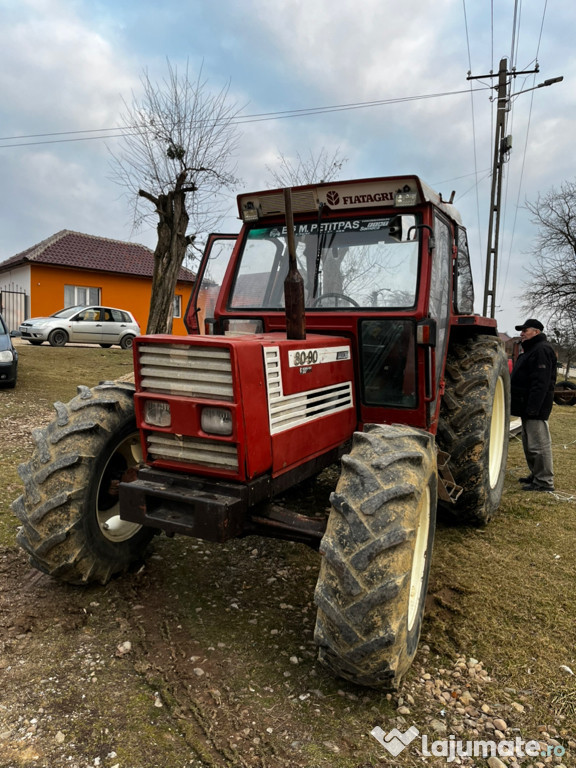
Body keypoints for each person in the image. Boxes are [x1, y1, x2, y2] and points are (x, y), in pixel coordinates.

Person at [510, 318, 557, 492]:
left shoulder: (542, 350)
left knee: (539, 445)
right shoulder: (531, 350)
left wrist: (533, 408)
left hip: (535, 408)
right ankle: (536, 475)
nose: (521, 333)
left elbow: (541, 383)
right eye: (521, 331)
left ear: (536, 332)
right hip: (527, 407)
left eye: (525, 330)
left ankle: (544, 482)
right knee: (529, 444)